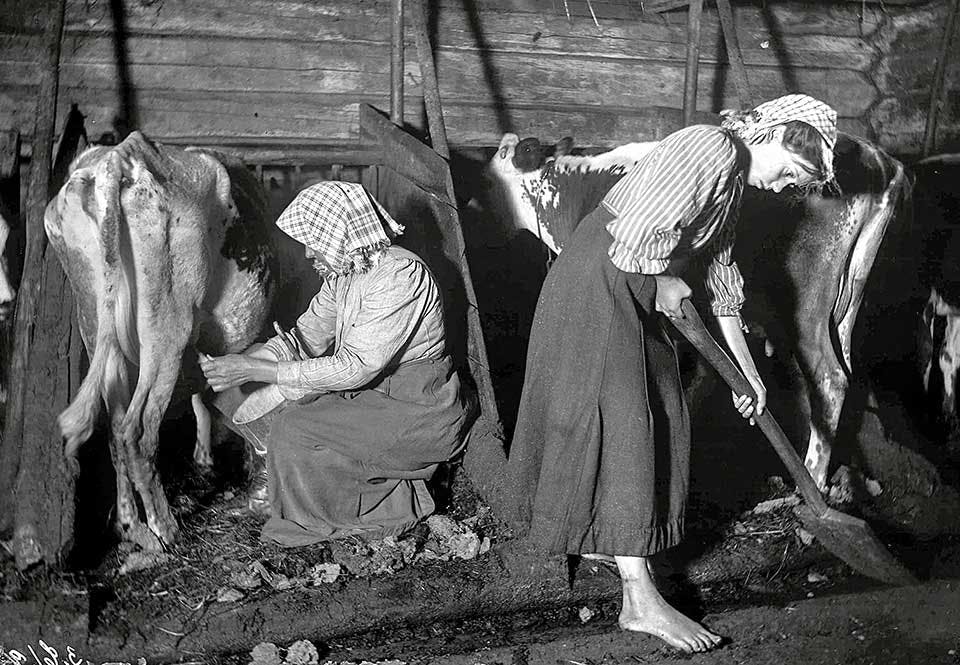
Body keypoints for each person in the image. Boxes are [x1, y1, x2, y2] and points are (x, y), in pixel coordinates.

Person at [506, 94, 838, 653]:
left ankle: (603, 538)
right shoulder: (707, 146)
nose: (788, 188)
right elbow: (634, 232)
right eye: (795, 173)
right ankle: (639, 599)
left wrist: (746, 372)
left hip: (630, 282)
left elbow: (720, 279)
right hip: (603, 279)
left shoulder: (731, 180)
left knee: (658, 410)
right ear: (779, 137)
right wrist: (661, 281)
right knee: (626, 425)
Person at [200, 181, 474, 546]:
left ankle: (391, 506)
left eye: (314, 242)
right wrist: (247, 363)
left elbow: (357, 366)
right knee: (249, 398)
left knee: (295, 428)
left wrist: (258, 371)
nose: (310, 253)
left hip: (418, 406)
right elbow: (306, 336)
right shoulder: (345, 274)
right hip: (372, 396)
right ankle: (281, 489)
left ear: (340, 235)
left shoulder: (399, 276)